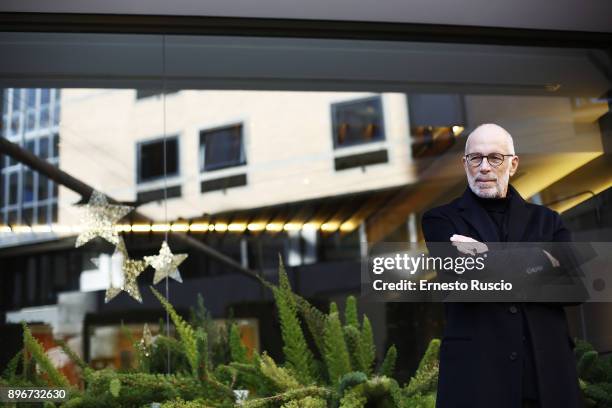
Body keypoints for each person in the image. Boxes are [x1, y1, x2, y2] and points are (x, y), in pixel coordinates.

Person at [421, 123, 584, 408]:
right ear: (465, 164)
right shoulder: (440, 220)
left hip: (546, 379)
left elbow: (574, 289)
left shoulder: (548, 220)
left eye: (495, 158)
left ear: (513, 164)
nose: (484, 167)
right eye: (476, 158)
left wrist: (484, 257)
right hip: (477, 381)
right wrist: (540, 265)